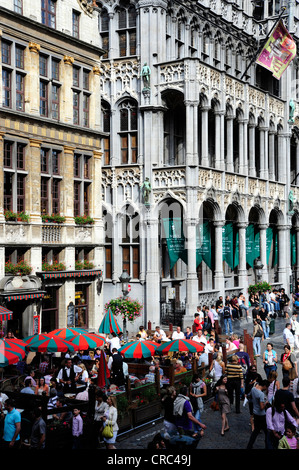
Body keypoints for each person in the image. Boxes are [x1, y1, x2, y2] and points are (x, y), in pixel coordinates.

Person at [246, 380, 269, 449]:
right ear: (264, 386)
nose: (266, 389)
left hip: (255, 413)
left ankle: (249, 445)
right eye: (266, 387)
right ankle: (268, 446)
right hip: (261, 415)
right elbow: (262, 407)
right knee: (267, 432)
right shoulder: (261, 394)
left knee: (256, 431)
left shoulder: (253, 389)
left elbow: (249, 396)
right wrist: (266, 403)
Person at [245, 365, 263, 432]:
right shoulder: (248, 376)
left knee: (257, 411)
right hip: (251, 396)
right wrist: (245, 393)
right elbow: (247, 385)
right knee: (252, 412)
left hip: (257, 396)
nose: (254, 371)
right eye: (253, 370)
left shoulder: (258, 376)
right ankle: (253, 426)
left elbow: (261, 384)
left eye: (255, 369)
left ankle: (255, 425)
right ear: (250, 370)